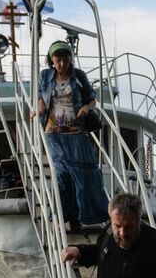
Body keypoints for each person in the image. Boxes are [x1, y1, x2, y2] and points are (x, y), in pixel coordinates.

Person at [36, 40, 109, 232]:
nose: (61, 63)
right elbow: (40, 98)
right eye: (58, 59)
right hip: (54, 133)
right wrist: (38, 108)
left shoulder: (78, 76)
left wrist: (86, 107)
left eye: (65, 59)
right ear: (51, 60)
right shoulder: (44, 76)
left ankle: (78, 217)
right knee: (61, 173)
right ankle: (61, 218)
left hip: (77, 132)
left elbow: (92, 99)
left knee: (84, 175)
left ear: (70, 59)